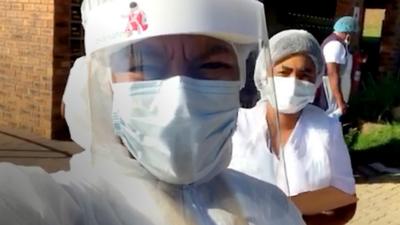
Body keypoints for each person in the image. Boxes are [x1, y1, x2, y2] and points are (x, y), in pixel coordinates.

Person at [0, 0, 306, 224]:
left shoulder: (272, 209)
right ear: (104, 84)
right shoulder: (73, 205)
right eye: (143, 66)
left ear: (241, 82)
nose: (180, 95)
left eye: (212, 65)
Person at [229, 30, 357, 224]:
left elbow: (346, 200)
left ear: (316, 81)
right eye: (284, 72)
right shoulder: (236, 125)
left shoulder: (326, 129)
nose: (294, 81)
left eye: (305, 75)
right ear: (265, 74)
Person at [318, 16, 358, 118]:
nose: (355, 38)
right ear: (348, 33)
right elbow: (332, 73)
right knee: (328, 119)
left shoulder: (341, 44)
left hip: (334, 94)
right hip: (329, 93)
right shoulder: (335, 45)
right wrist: (340, 101)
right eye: (354, 34)